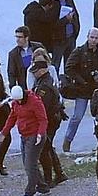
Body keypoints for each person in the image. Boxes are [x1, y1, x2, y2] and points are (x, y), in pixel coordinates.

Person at [0, 86, 49, 196]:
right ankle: (42, 187)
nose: (19, 102)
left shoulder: (35, 101)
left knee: (30, 164)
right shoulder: (16, 103)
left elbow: (43, 119)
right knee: (29, 163)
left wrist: (40, 134)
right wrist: (4, 132)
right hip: (24, 135)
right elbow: (12, 117)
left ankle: (30, 192)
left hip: (34, 135)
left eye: (20, 100)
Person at [62, 28, 98, 152]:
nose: (93, 40)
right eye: (92, 37)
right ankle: (67, 140)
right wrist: (81, 80)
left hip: (97, 89)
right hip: (82, 89)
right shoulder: (79, 51)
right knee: (77, 117)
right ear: (88, 37)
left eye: (96, 38)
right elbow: (69, 68)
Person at [29, 59, 68, 187]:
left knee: (44, 149)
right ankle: (59, 173)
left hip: (49, 119)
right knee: (48, 146)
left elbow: (42, 107)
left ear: (43, 70)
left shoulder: (44, 86)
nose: (34, 74)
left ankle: (48, 178)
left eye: (36, 71)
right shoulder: (43, 81)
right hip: (51, 118)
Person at [50, 0, 80, 75]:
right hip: (59, 39)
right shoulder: (52, 3)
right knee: (56, 65)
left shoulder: (69, 0)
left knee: (70, 64)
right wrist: (66, 19)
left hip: (70, 37)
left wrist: (75, 31)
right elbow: (52, 24)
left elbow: (76, 15)